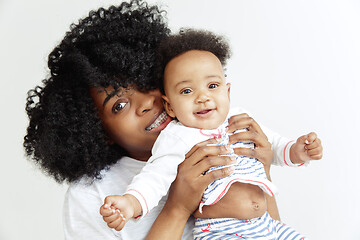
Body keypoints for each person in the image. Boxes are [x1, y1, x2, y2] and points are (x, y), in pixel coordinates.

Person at [23, 1, 280, 239]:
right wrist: (177, 207)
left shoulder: (224, 137)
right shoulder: (93, 196)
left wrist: (262, 171)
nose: (146, 103)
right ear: (99, 131)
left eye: (147, 82)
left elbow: (271, 231)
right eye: (119, 105)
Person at [100, 29, 323, 239]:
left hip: (267, 225)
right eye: (187, 91)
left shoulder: (241, 119)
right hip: (223, 232)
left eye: (213, 86)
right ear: (170, 106)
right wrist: (130, 203)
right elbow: (154, 178)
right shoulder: (178, 138)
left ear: (227, 91)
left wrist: (298, 150)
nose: (202, 97)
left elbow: (275, 146)